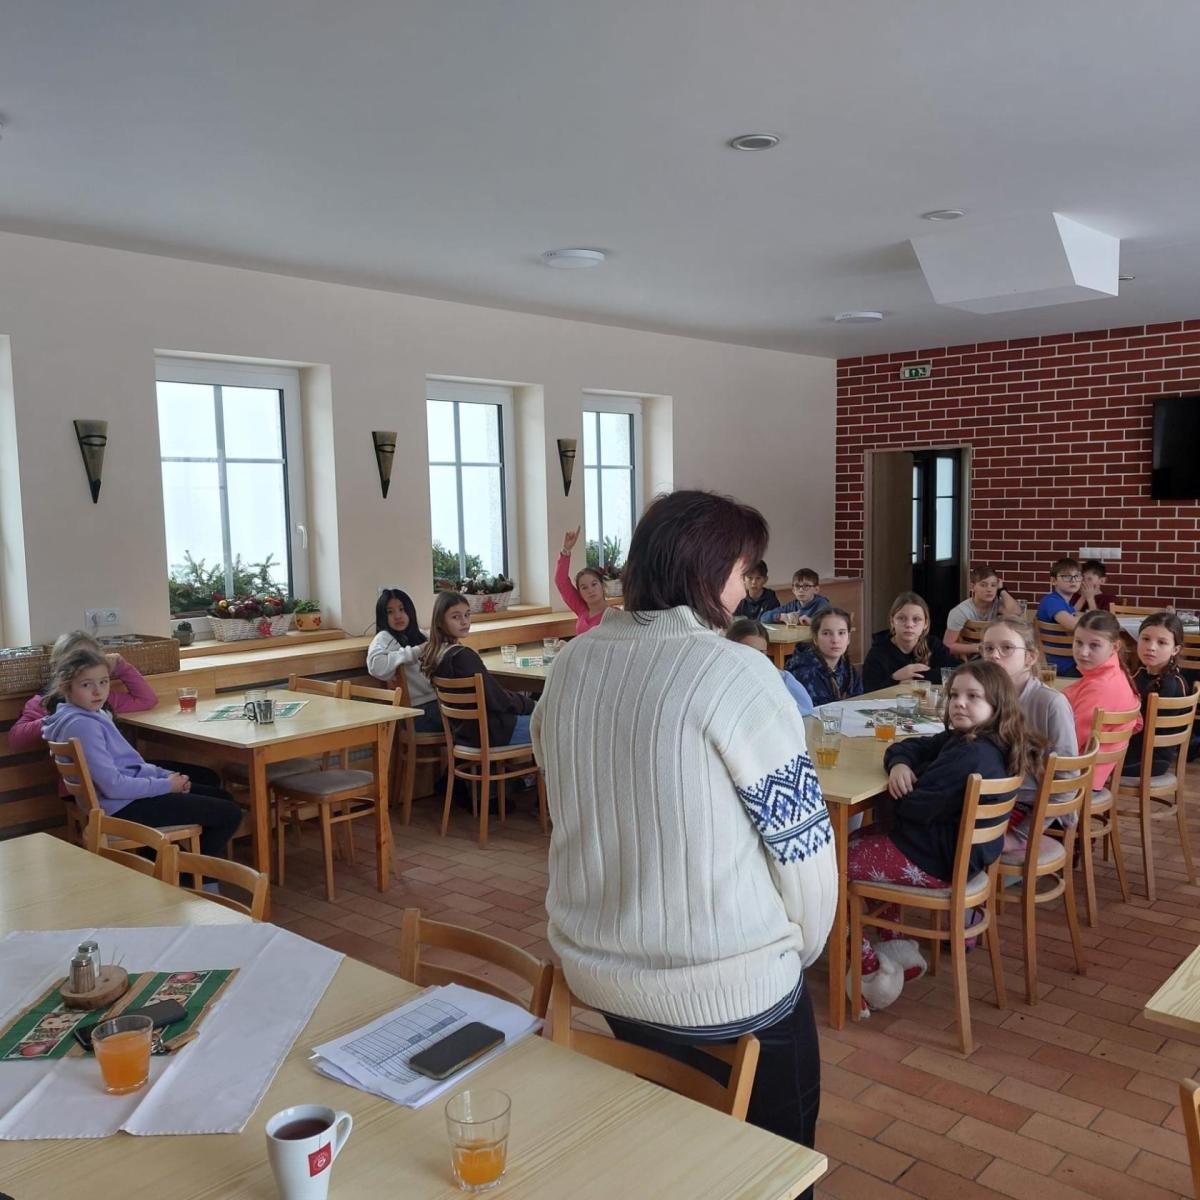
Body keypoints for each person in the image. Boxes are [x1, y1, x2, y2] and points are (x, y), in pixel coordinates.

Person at [532, 489, 837, 1170]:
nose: (745, 587)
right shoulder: (735, 672)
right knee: (778, 1168)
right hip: (729, 988)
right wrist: (800, 949)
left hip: (600, 974)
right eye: (742, 571)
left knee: (676, 1152)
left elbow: (557, 779)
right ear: (709, 571)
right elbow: (804, 848)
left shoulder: (573, 662)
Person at [849, 661, 1042, 1010]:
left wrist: (913, 777)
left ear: (997, 704)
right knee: (857, 844)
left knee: (831, 866)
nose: (959, 703)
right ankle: (896, 945)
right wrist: (901, 765)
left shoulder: (972, 753)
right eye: (954, 695)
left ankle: (868, 968)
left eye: (973, 696)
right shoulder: (975, 739)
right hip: (949, 852)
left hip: (934, 859)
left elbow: (912, 807)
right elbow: (910, 746)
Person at [41, 648, 241, 857]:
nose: (98, 691)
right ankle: (189, 872)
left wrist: (166, 777)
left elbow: (130, 767)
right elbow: (113, 786)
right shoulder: (83, 725)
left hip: (123, 800)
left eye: (103, 682)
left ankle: (171, 864)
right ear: (66, 687)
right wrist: (166, 786)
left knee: (222, 798)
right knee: (229, 813)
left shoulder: (82, 714)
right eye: (86, 684)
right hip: (121, 808)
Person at [11, 630, 221, 787]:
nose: (86, 665)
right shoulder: (45, 702)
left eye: (92, 658)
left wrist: (121, 665)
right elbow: (16, 739)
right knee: (203, 790)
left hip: (124, 772)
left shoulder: (101, 697)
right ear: (60, 668)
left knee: (206, 778)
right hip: (94, 785)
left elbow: (146, 700)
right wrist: (62, 716)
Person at [979, 617, 1079, 852]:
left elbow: (1067, 780)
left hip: (1029, 809)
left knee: (952, 837)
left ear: (1030, 657)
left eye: (1006, 648)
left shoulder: (1050, 703)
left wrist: (1022, 835)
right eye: (988, 648)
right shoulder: (983, 695)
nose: (994, 656)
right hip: (989, 798)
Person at [419, 591, 536, 747]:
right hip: (493, 733)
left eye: (467, 615)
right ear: (440, 621)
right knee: (555, 723)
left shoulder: (435, 655)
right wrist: (532, 705)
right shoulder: (462, 656)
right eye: (456, 617)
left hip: (464, 733)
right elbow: (498, 699)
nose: (464, 621)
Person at [1063, 611, 1140, 790]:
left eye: (1094, 645)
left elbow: (1069, 743)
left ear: (1114, 647)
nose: (1083, 652)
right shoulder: (1113, 673)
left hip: (1078, 778)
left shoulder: (1101, 686)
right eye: (1078, 642)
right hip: (1087, 772)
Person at [1124, 612, 1189, 778]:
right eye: (1145, 639)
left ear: (1175, 649)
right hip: (1132, 750)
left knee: (1087, 763)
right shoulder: (1140, 673)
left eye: (1162, 642)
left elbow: (1141, 731)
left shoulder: (1171, 685)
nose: (1151, 647)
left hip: (1149, 760)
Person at [366, 588, 440, 732]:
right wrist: (416, 651)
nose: (398, 616)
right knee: (471, 720)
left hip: (437, 701)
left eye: (402, 609)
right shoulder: (383, 638)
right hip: (417, 710)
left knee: (474, 711)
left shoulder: (420, 634)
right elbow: (376, 667)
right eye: (390, 612)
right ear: (383, 616)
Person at [862, 592, 957, 692]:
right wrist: (895, 678)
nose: (909, 625)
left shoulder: (933, 644)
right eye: (901, 618)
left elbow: (955, 672)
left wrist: (913, 677)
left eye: (916, 619)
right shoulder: (877, 653)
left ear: (925, 623)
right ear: (892, 621)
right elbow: (868, 691)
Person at [726, 617, 815, 716]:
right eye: (748, 651)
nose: (755, 658)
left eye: (761, 652)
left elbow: (806, 709)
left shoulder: (780, 678)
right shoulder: (726, 681)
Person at [784, 607, 863, 706]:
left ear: (848, 638)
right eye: (826, 633)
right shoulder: (805, 671)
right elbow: (817, 711)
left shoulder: (848, 669)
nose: (835, 640)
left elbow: (858, 701)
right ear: (815, 639)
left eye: (841, 633)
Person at [942, 565, 1023, 659]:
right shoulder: (960, 612)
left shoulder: (998, 605)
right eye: (983, 585)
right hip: (973, 658)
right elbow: (947, 645)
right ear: (972, 586)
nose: (989, 589)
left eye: (993, 585)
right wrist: (981, 648)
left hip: (1000, 655)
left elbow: (1016, 613)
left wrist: (1002, 590)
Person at [555, 527, 608, 634]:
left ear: (602, 585)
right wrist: (566, 550)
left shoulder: (614, 614)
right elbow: (561, 581)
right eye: (584, 588)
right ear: (579, 593)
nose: (590, 590)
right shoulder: (582, 609)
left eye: (594, 584)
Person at [1036, 558, 1084, 675]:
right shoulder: (1051, 601)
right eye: (1066, 576)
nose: (1073, 580)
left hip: (1072, 661)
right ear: (1053, 581)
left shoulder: (1065, 604)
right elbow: (1073, 625)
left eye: (1077, 576)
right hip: (1063, 664)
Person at [761, 568, 830, 625]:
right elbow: (763, 618)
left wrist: (811, 621)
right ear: (793, 590)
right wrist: (781, 617)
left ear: (816, 589)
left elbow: (829, 624)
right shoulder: (792, 605)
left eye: (806, 586)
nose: (801, 590)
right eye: (797, 586)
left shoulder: (822, 604)